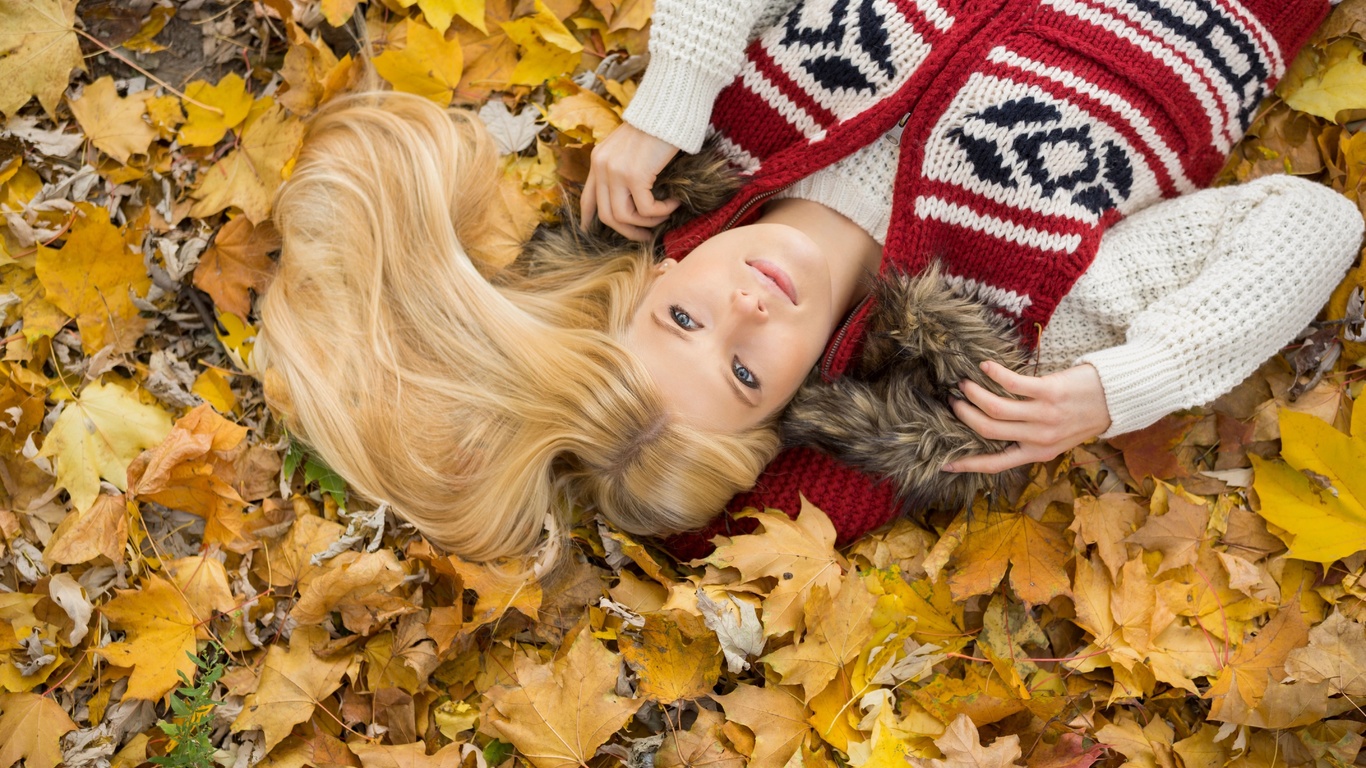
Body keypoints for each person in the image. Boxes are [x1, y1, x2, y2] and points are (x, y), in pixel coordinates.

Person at [581, 0, 1365, 553]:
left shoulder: (713, 132)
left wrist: (672, 90)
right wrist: (1129, 384)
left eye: (684, 320)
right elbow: (1312, 222)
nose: (744, 307)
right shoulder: (1006, 309)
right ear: (795, 406)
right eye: (746, 373)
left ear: (656, 275)